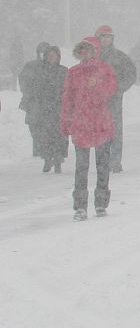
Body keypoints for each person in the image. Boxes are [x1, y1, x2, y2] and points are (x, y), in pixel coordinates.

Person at [60, 37, 118, 220]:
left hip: (101, 123)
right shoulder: (73, 72)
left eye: (90, 50)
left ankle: (101, 203)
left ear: (95, 51)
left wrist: (96, 86)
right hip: (81, 125)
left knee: (102, 166)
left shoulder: (105, 70)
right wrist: (65, 121)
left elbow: (109, 92)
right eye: (83, 50)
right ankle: (80, 206)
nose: (86, 54)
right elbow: (67, 98)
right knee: (81, 167)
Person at [96, 25, 136, 174]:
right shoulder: (93, 56)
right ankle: (102, 160)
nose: (106, 40)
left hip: (114, 99)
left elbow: (131, 73)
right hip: (96, 101)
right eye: (103, 36)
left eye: (109, 37)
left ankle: (115, 160)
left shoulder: (120, 56)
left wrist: (119, 88)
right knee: (100, 130)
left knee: (115, 130)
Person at [24, 45, 69, 173]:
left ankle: (58, 160)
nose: (51, 58)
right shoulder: (39, 71)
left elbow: (68, 89)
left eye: (54, 55)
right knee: (45, 136)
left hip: (59, 108)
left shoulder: (63, 71)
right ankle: (47, 159)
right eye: (49, 56)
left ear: (58, 57)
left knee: (60, 136)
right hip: (44, 109)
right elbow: (34, 88)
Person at [18, 42, 51, 154]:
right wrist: (28, 91)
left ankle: (44, 149)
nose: (43, 55)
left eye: (45, 52)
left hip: (48, 102)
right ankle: (38, 148)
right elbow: (22, 80)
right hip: (33, 101)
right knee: (34, 126)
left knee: (47, 128)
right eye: (41, 52)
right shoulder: (30, 65)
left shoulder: (53, 67)